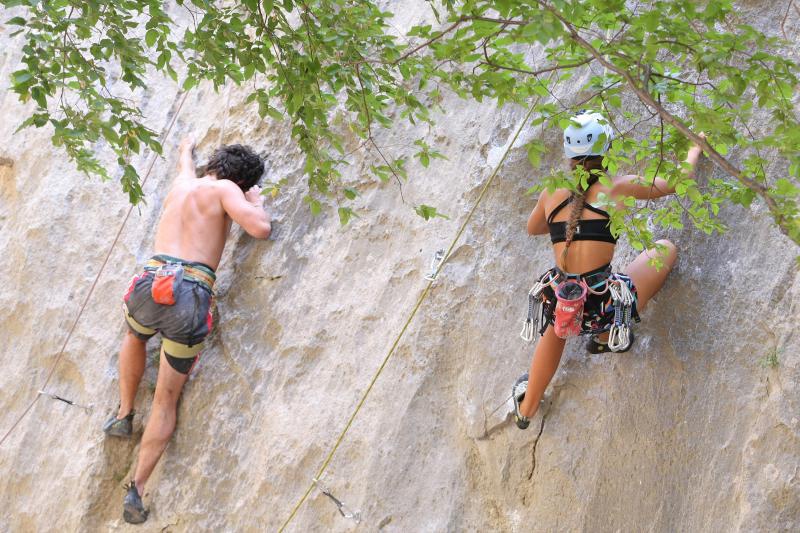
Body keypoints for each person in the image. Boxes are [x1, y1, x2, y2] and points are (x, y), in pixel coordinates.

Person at [102, 138, 272, 523]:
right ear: (241, 181)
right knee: (165, 399)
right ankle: (137, 489)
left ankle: (124, 413)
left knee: (135, 335)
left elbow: (184, 165)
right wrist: (255, 201)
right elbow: (260, 229)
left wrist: (185, 149)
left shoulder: (184, 184)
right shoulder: (226, 189)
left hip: (149, 283)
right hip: (188, 294)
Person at [512, 110, 704, 430]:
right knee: (664, 249)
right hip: (602, 304)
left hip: (565, 300)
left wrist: (563, 220)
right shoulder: (618, 187)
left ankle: (527, 407)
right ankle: (604, 336)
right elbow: (677, 183)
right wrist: (694, 147)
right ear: (607, 149)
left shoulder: (551, 192)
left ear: (569, 154)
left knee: (558, 322)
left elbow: (533, 228)